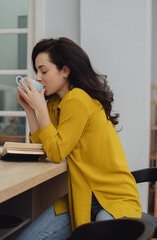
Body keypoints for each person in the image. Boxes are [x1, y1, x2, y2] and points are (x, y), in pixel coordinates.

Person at [16, 37, 141, 240]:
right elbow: (43, 150)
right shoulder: (55, 104)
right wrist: (31, 111)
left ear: (65, 70)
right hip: (81, 196)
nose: (37, 78)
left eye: (44, 71)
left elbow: (56, 153)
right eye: (36, 71)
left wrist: (40, 108)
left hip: (113, 197)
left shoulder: (78, 99)